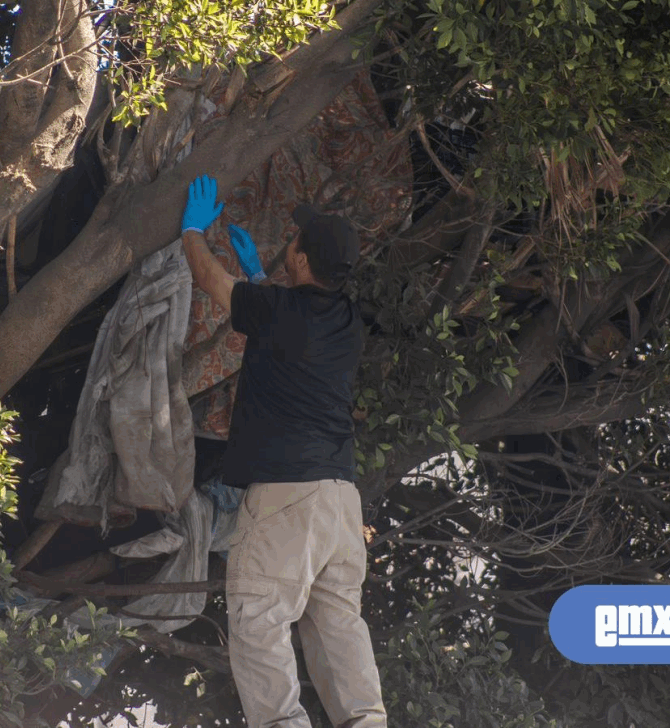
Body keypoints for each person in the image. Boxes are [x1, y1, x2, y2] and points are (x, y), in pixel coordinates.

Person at [179, 175, 388, 728]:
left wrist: (192, 227)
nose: (288, 245)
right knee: (338, 623)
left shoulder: (280, 312)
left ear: (298, 261)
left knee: (259, 621)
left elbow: (205, 276)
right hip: (340, 503)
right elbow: (285, 328)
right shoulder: (348, 323)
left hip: (287, 498)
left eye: (294, 243)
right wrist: (257, 275)